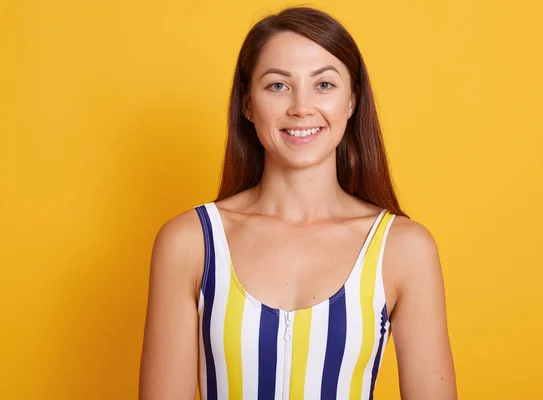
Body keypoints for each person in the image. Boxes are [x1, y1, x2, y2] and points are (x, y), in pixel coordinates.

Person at [139, 6, 457, 400]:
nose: (301, 107)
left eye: (324, 85)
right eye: (277, 85)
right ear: (247, 104)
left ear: (352, 102)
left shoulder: (404, 248)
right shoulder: (190, 242)